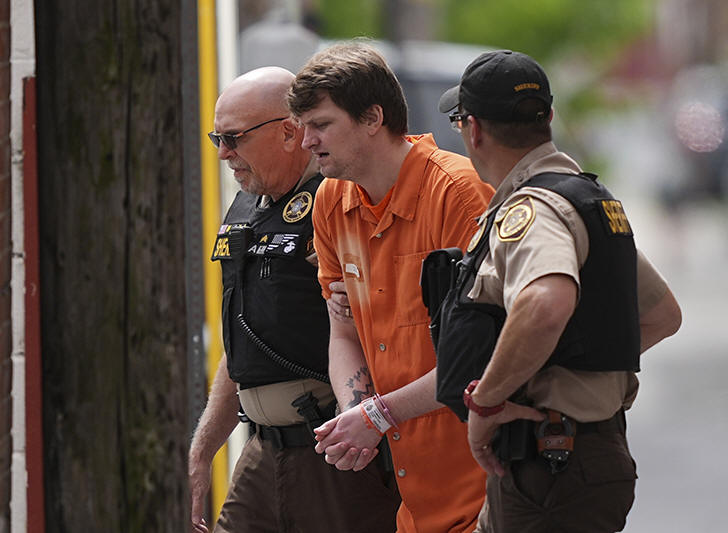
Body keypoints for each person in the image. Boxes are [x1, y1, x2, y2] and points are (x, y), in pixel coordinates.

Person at [435, 50, 683, 532]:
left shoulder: (535, 210)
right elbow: (662, 316)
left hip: (548, 463)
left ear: (473, 129)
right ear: (547, 117)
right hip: (579, 454)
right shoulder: (587, 200)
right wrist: (571, 371)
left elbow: (546, 304)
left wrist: (487, 401)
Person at [287, 42, 494, 533]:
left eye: (321, 125)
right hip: (413, 501)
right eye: (303, 126)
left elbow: (481, 358)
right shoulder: (330, 201)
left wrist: (376, 416)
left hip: (483, 489)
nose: (306, 141)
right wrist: (356, 416)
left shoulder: (459, 193)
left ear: (373, 118)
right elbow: (343, 333)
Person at [188, 66, 400, 533]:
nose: (223, 153)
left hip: (333, 447)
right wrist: (201, 452)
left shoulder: (338, 199)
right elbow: (244, 339)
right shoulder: (248, 204)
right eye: (217, 138)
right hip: (262, 449)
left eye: (234, 138)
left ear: (288, 132)